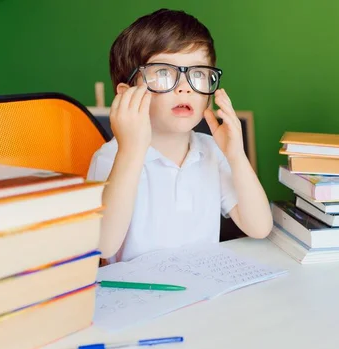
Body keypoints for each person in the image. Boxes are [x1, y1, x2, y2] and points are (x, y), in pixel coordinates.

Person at [87, 8, 273, 264]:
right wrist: (130, 153)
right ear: (127, 95)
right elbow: (102, 247)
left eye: (198, 74)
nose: (185, 87)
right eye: (164, 73)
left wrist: (236, 156)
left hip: (202, 293)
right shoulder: (111, 157)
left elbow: (260, 227)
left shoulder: (210, 151)